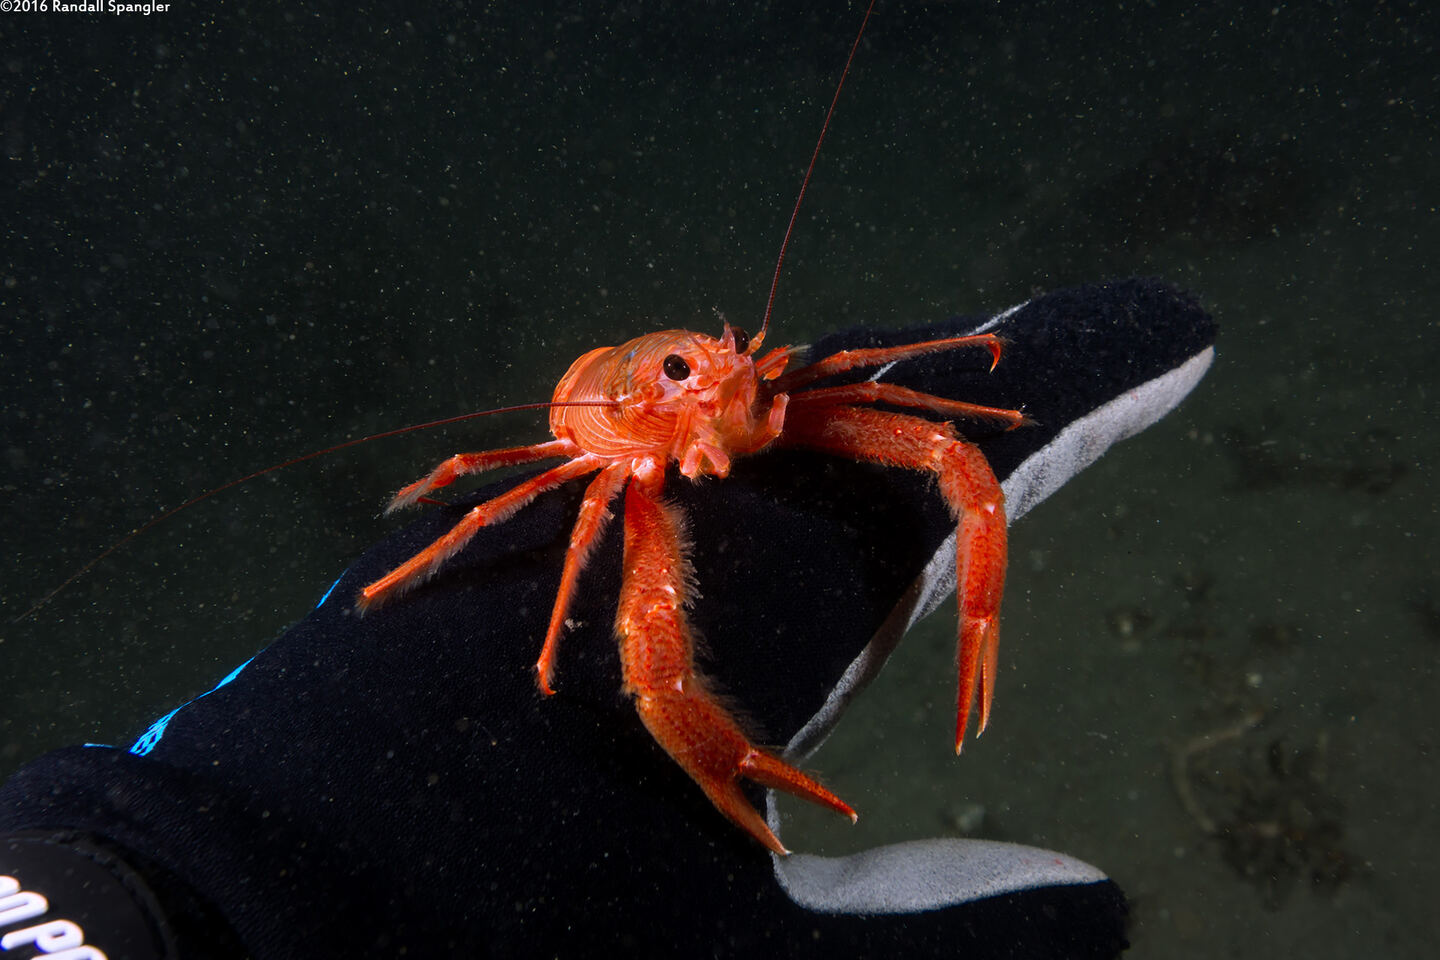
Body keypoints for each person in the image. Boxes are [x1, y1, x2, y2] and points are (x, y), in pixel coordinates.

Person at [0, 279, 1214, 959]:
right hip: (617, 447)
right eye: (699, 375)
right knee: (649, 661)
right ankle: (733, 780)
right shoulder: (607, 441)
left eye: (726, 361)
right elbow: (550, 556)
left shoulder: (736, 381)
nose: (732, 385)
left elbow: (926, 433)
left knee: (955, 452)